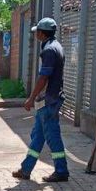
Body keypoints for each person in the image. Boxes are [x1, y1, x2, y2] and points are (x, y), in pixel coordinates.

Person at [12, 17, 69, 182]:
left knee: (53, 137)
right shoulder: (55, 46)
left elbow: (44, 78)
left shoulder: (50, 50)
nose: (36, 34)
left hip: (48, 101)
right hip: (47, 100)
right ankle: (26, 169)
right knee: (37, 135)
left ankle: (61, 171)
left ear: (43, 33)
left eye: (37, 31)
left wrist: (31, 98)